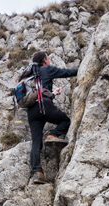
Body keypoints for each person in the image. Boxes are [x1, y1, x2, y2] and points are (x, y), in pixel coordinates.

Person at [22, 51, 78, 184]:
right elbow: (67, 72)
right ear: (45, 60)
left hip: (32, 112)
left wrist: (53, 94)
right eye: (48, 58)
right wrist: (83, 69)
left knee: (36, 142)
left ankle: (37, 172)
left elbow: (39, 93)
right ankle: (53, 134)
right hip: (44, 106)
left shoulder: (29, 77)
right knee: (65, 120)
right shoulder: (47, 69)